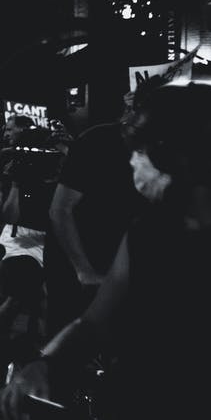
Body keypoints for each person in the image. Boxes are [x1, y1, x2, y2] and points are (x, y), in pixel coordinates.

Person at [1, 82, 211, 420]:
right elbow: (92, 323)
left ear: (178, 155)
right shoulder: (148, 232)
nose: (133, 161)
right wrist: (44, 364)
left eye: (142, 150)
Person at [46, 98, 144, 340]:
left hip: (116, 259)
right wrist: (84, 270)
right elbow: (60, 210)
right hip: (76, 259)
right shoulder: (97, 141)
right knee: (70, 337)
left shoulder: (160, 146)